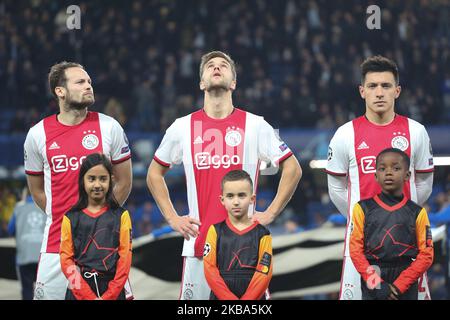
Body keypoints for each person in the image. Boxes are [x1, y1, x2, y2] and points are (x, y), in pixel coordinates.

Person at [147, 51, 301, 300]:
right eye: (210, 66)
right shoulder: (181, 127)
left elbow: (293, 168)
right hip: (199, 248)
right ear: (201, 83)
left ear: (233, 83)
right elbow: (154, 173)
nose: (216, 68)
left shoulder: (256, 125)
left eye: (223, 65)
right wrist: (172, 218)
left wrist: (271, 213)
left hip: (247, 249)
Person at [326, 55, 434, 300]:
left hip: (409, 250)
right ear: (362, 91)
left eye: (386, 86)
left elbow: (423, 184)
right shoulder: (345, 134)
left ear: (397, 91)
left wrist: (400, 214)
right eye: (372, 86)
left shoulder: (416, 132)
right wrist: (366, 220)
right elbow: (336, 189)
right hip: (361, 250)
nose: (379, 92)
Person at [24, 62, 132, 300]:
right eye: (80, 82)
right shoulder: (37, 135)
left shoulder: (109, 127)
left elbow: (124, 182)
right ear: (59, 91)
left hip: (102, 247)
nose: (88, 86)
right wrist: (66, 222)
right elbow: (38, 192)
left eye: (89, 82)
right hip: (55, 246)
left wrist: (103, 219)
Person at [349, 148, 434, 300]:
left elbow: (426, 255)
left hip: (405, 276)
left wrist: (399, 286)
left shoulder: (417, 212)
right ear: (376, 175)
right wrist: (376, 284)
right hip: (373, 273)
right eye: (382, 168)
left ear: (407, 175)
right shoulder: (361, 208)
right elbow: (355, 251)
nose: (388, 172)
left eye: (396, 168)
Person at [60, 153, 132, 300]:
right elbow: (66, 260)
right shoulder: (70, 218)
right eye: (91, 179)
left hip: (113, 289)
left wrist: (109, 295)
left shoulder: (122, 216)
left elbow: (125, 260)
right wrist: (87, 296)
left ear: (111, 181)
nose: (97, 185)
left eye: (103, 179)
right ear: (83, 181)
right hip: (79, 291)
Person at [203, 170, 272, 300]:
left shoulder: (263, 233)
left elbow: (264, 272)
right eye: (230, 196)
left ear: (252, 199)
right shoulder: (214, 231)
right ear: (222, 200)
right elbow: (209, 269)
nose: (236, 202)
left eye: (241, 195)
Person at [7, 187, 46, 300]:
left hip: (24, 257)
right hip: (42, 257)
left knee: (27, 290)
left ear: (25, 194)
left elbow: (10, 230)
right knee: (44, 291)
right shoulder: (47, 206)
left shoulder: (18, 208)